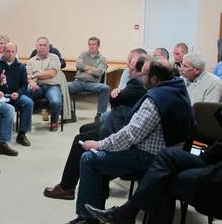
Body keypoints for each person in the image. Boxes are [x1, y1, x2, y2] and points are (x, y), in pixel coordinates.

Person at [65, 58, 194, 224]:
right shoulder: (177, 88)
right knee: (102, 148)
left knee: (90, 158)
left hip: (150, 157)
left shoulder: (155, 99)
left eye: (144, 74)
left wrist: (99, 144)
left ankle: (87, 218)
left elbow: (131, 134)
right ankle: (94, 214)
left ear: (154, 79)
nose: (140, 77)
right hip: (169, 155)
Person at [85, 107, 222, 224]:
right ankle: (126, 212)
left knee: (163, 176)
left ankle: (126, 212)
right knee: (166, 156)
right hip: (210, 158)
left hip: (216, 174)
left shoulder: (164, 94)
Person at [44, 55, 148, 200]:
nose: (128, 63)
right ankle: (100, 184)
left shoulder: (137, 83)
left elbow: (115, 98)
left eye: (131, 61)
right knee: (84, 129)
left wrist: (116, 95)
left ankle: (67, 187)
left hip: (119, 128)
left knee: (79, 139)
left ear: (139, 71)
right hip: (117, 121)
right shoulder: (136, 79)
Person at [0, 42, 33, 146]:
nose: (10, 54)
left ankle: (22, 134)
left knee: (28, 103)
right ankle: (0, 137)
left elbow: (24, 85)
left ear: (16, 52)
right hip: (0, 96)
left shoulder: (21, 66)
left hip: (15, 95)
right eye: (8, 51)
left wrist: (18, 93)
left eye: (13, 52)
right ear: (3, 51)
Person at [68, 37, 110, 122]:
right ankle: (70, 114)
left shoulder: (102, 59)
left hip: (93, 83)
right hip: (79, 81)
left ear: (98, 46)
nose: (91, 46)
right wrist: (92, 68)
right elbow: (78, 65)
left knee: (106, 88)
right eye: (90, 44)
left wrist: (84, 68)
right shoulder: (83, 54)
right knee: (64, 87)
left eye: (94, 44)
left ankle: (100, 115)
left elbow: (98, 73)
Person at [27, 36, 63, 131]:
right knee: (27, 91)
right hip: (37, 86)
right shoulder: (31, 61)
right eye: (40, 45)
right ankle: (26, 123)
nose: (42, 47)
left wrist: (35, 76)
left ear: (48, 47)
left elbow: (51, 74)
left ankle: (54, 122)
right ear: (36, 46)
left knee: (56, 102)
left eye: (44, 45)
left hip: (52, 86)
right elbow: (27, 76)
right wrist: (30, 81)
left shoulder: (54, 57)